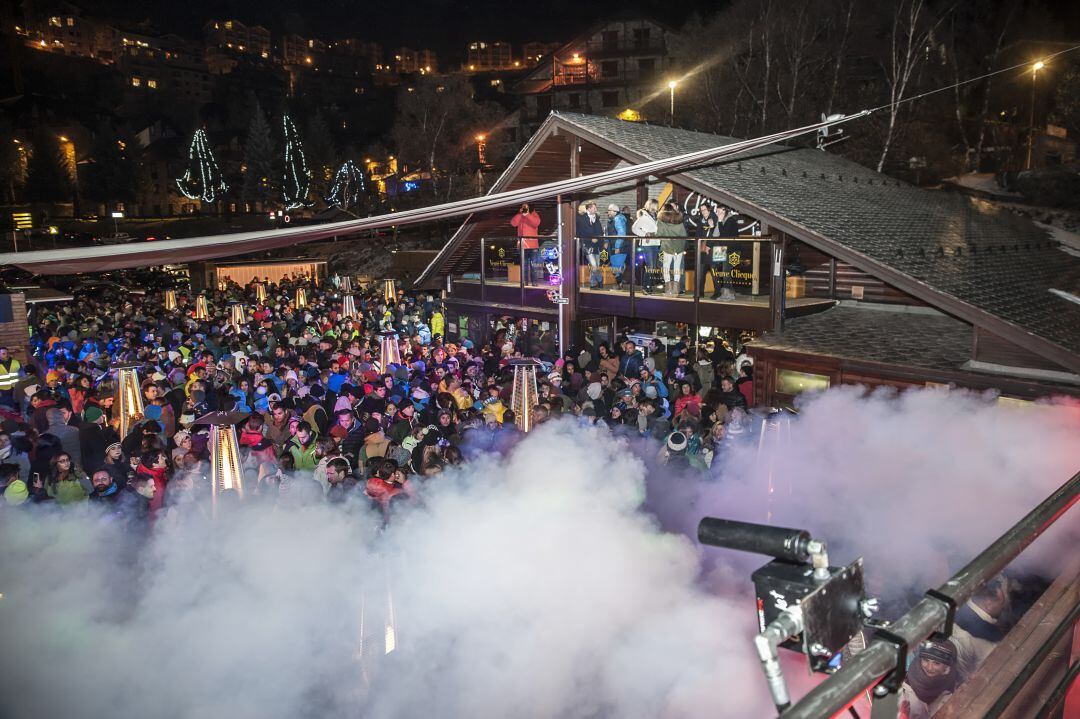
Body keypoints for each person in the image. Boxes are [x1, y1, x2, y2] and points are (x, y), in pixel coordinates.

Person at [952, 575, 1012, 681]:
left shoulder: (953, 607)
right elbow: (990, 676)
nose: (1004, 606)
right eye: (1003, 603)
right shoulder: (990, 643)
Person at [898, 640, 959, 719]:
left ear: (947, 666)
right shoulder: (902, 686)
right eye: (926, 660)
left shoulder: (955, 689)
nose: (929, 667)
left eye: (937, 663)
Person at [656, 203, 687, 297]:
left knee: (666, 267)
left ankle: (668, 290)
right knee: (677, 268)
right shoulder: (679, 220)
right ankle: (676, 291)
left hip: (667, 247)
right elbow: (684, 235)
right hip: (679, 247)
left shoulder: (661, 221)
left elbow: (659, 234)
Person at [632, 199, 660, 292]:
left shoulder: (656, 216)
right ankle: (646, 287)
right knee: (650, 266)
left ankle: (648, 286)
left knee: (653, 267)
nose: (657, 207)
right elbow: (634, 228)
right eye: (656, 205)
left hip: (655, 243)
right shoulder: (644, 217)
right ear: (651, 206)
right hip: (647, 244)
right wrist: (644, 234)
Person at [576, 201, 605, 289]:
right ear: (588, 209)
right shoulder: (582, 218)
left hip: (597, 245)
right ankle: (599, 280)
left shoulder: (597, 218)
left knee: (596, 265)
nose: (596, 209)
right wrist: (590, 239)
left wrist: (599, 240)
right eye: (594, 208)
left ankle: (594, 283)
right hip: (587, 245)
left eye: (596, 208)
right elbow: (580, 232)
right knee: (594, 265)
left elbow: (600, 231)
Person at [605, 204, 630, 289]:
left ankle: (620, 284)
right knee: (615, 267)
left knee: (616, 267)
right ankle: (620, 283)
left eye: (610, 211)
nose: (608, 212)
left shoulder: (618, 219)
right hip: (614, 246)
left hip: (619, 247)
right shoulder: (612, 219)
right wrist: (607, 242)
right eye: (608, 211)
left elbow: (621, 233)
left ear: (615, 212)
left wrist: (617, 247)